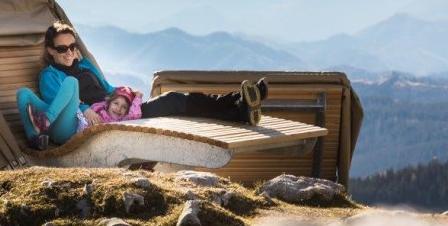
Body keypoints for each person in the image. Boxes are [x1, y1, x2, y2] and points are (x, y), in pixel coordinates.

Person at [16, 21, 269, 149]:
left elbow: (107, 87)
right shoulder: (50, 75)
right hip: (83, 122)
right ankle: (240, 107)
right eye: (62, 48)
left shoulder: (85, 66)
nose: (70, 52)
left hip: (115, 111)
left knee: (174, 99)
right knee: (71, 82)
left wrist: (125, 93)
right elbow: (58, 101)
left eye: (73, 46)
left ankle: (238, 105)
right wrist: (84, 108)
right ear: (50, 50)